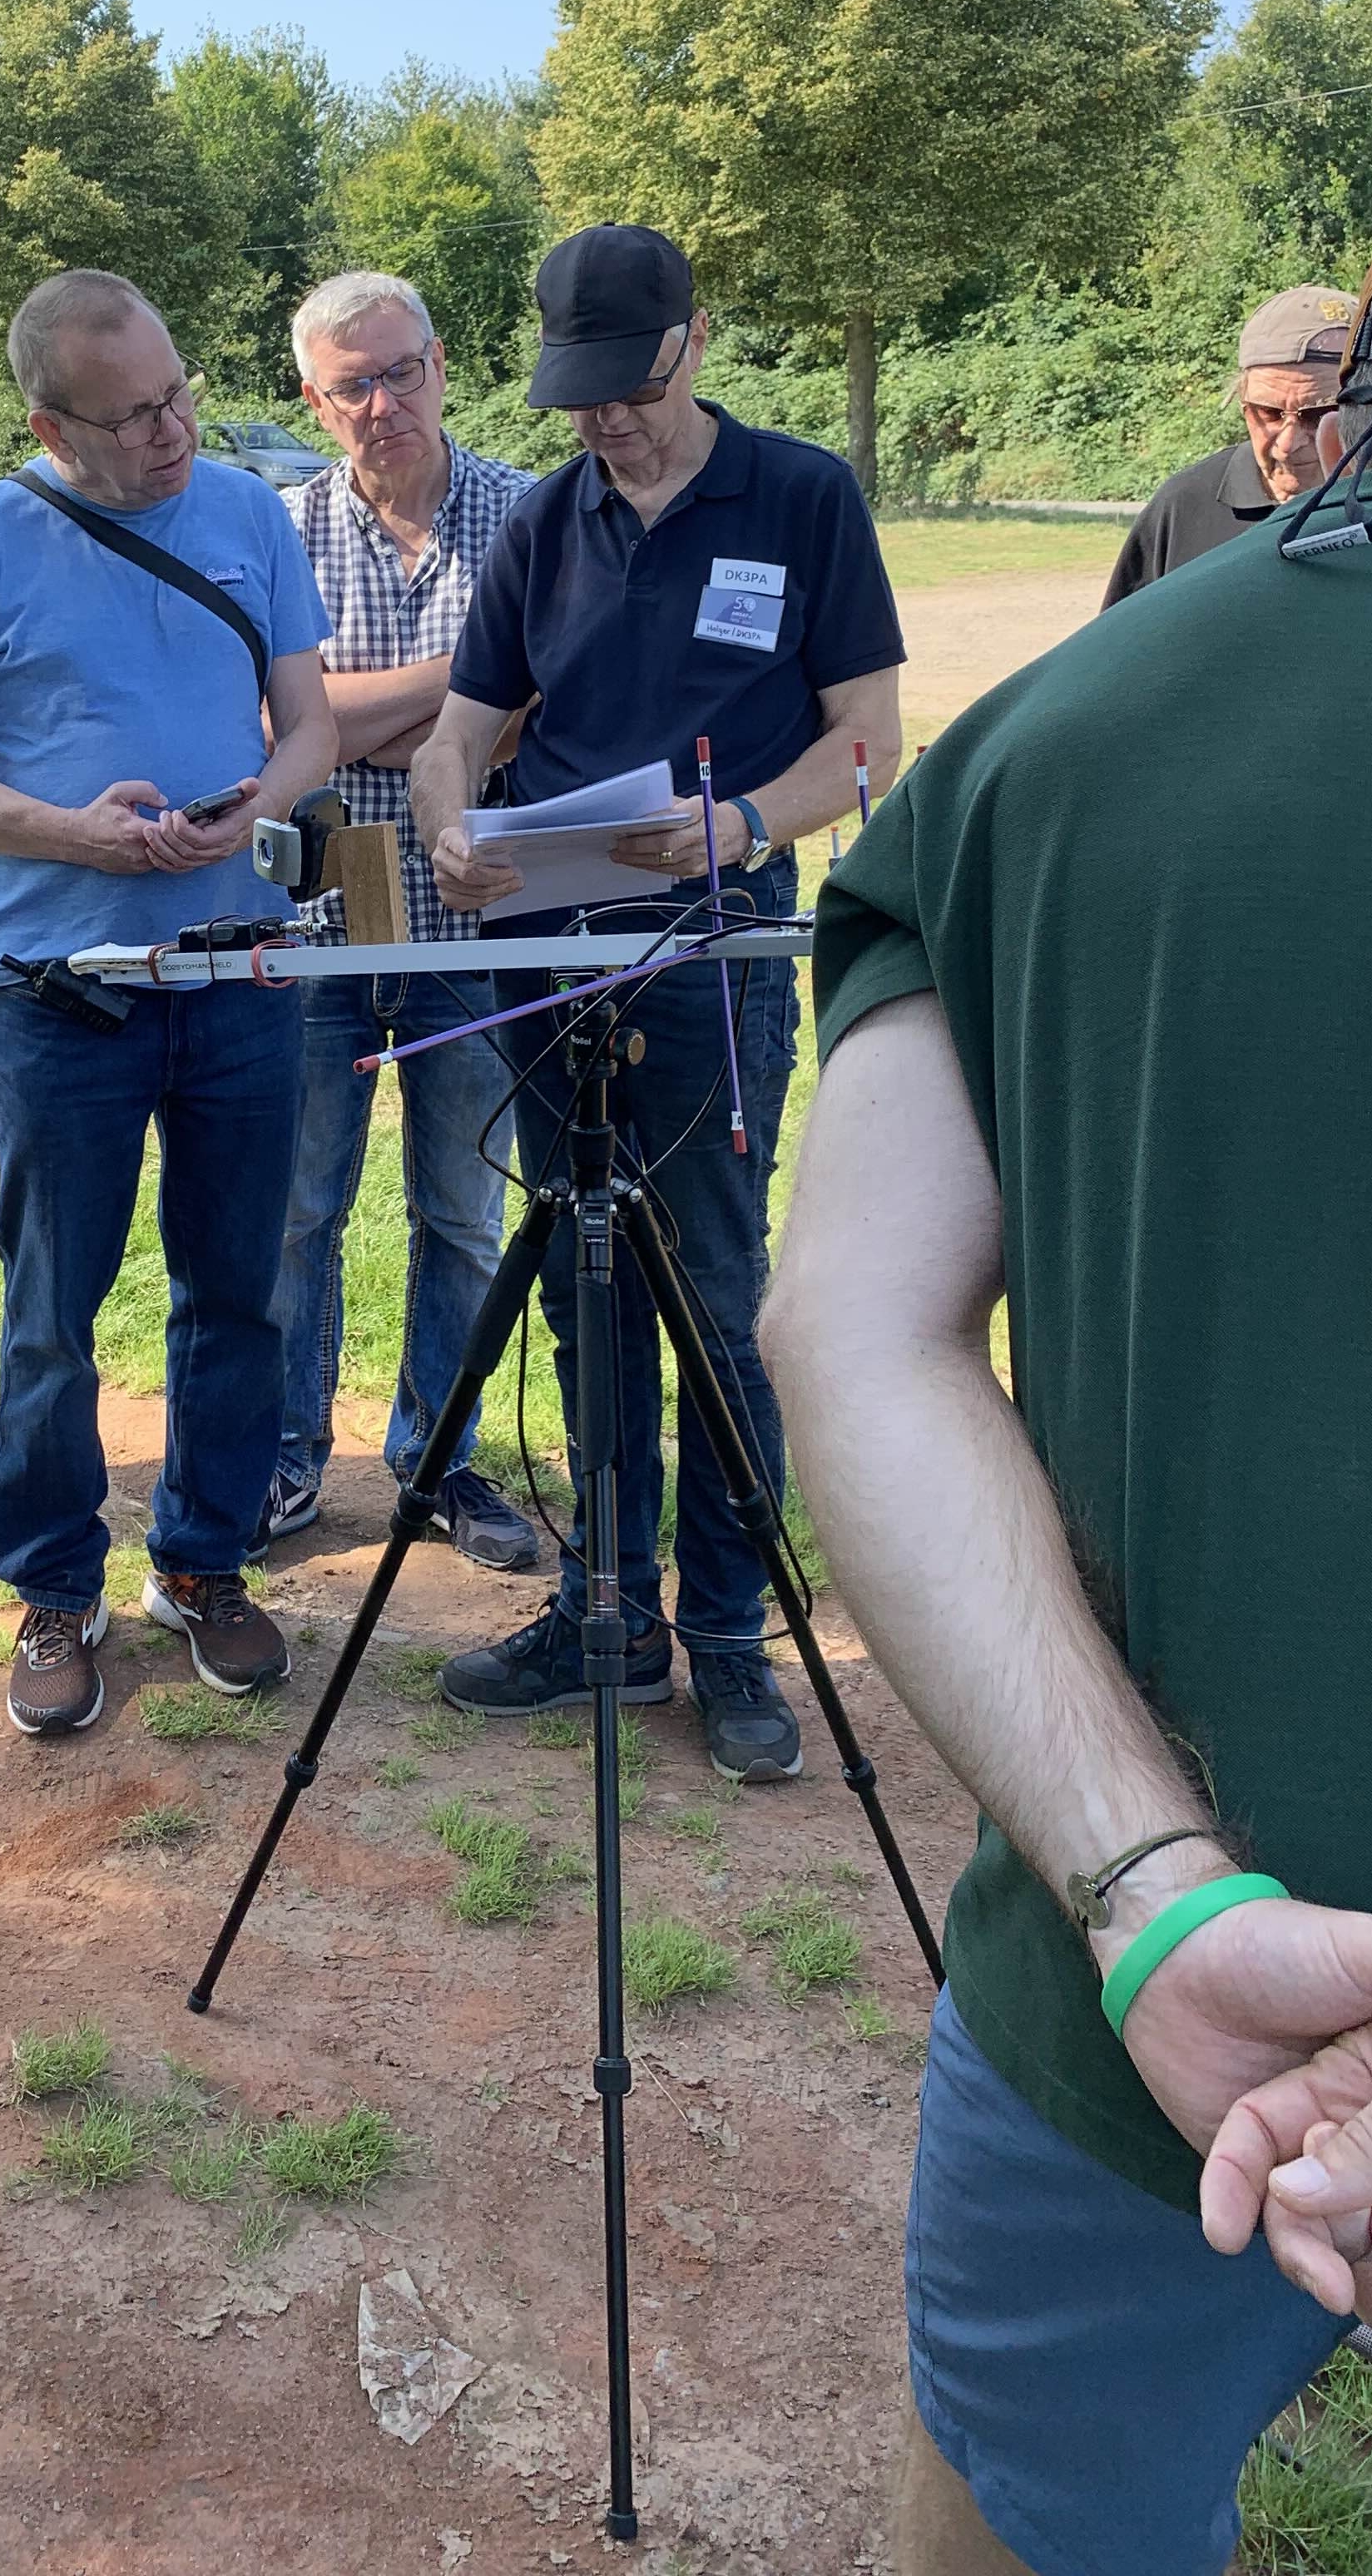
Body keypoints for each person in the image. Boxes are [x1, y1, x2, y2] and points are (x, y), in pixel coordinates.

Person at [763, 181, 1372, 2574]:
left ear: (1363, 399)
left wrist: (1155, 1901)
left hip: (1138, 2005)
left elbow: (851, 1328)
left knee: (1021, 2525)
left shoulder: (1039, 745)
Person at [410, 224, 905, 1781]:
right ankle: (605, 1614)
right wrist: (446, 818)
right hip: (545, 954)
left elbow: (865, 741)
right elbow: (460, 729)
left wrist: (737, 825)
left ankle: (733, 1634)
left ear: (692, 342)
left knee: (713, 1286)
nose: (605, 422)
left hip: (709, 950)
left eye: (627, 389)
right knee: (582, 1282)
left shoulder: (802, 496)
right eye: (578, 398)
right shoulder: (541, 521)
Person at [0, 270, 337, 1742]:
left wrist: (254, 806)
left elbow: (311, 725)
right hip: (61, 990)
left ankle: (202, 1561)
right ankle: (53, 1587)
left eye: (178, 393)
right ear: (49, 428)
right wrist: (77, 835)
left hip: (240, 974)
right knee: (50, 1310)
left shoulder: (250, 514)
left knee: (239, 1290)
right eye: (132, 417)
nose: (172, 433)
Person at [259, 269, 539, 1572]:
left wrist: (350, 713)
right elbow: (285, 732)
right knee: (297, 1210)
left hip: (475, 924)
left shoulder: (529, 516)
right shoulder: (282, 531)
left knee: (463, 1212)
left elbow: (539, 708)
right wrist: (466, 685)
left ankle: (440, 1461)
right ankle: (285, 1458)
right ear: (315, 401)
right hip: (316, 925)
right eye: (353, 385)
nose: (385, 403)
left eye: (402, 371)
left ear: (441, 364)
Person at [1101, 281, 1355, 602]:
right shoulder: (1183, 507)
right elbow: (1127, 632)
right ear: (1243, 404)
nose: (1288, 443)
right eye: (1269, 412)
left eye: (1319, 413)